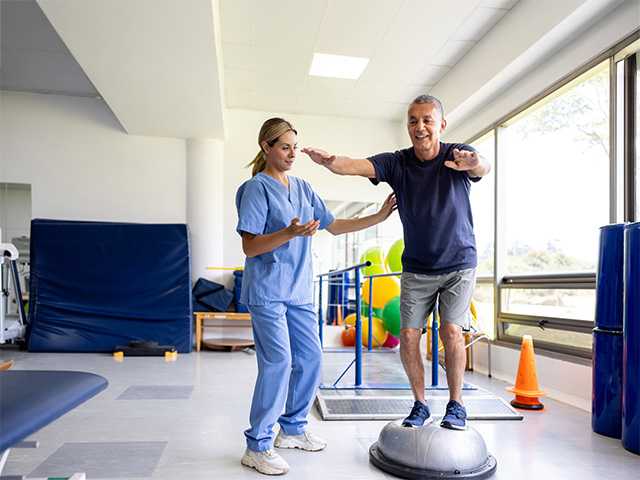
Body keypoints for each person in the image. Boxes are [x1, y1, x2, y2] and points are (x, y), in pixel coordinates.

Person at [303, 95, 491, 432]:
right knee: (407, 336)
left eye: (427, 120)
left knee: (451, 330)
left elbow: (482, 167)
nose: (420, 127)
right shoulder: (398, 163)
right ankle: (420, 404)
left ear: (441, 125)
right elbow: (355, 164)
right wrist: (330, 161)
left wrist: (475, 162)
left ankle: (456, 405)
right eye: (413, 121)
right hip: (417, 268)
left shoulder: (456, 156)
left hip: (458, 263)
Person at [237, 117, 397, 476]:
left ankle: (292, 429)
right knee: (278, 362)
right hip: (267, 291)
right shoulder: (255, 189)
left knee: (309, 359)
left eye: (295, 146)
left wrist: (379, 216)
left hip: (298, 291)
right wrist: (288, 232)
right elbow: (250, 247)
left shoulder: (305, 188)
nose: (292, 153)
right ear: (266, 147)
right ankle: (257, 445)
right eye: (284, 147)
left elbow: (335, 226)